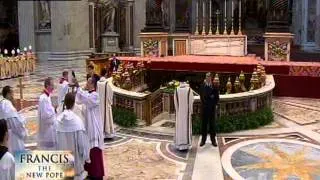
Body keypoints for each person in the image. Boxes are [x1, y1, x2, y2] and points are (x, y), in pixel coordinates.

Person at [56, 93, 90, 180]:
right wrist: (85, 157)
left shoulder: (58, 120)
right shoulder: (77, 121)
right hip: (76, 163)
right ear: (74, 103)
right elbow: (81, 144)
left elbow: (55, 142)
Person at [76, 77, 104, 179]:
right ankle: (90, 171)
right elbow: (79, 100)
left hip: (94, 127)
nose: (86, 84)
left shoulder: (95, 95)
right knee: (88, 149)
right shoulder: (89, 94)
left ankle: (97, 173)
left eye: (88, 83)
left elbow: (86, 99)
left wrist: (78, 88)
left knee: (94, 149)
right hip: (88, 126)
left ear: (92, 84)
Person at [0, 86, 26, 154]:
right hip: (13, 137)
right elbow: (14, 122)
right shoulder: (7, 104)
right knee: (17, 157)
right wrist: (22, 120)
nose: (13, 96)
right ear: (8, 94)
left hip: (7, 135)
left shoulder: (3, 103)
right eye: (12, 93)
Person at [199, 72, 219, 147]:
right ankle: (203, 140)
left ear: (211, 78)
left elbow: (217, 98)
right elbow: (201, 97)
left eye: (209, 77)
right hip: (204, 109)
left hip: (212, 109)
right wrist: (210, 97)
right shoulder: (202, 86)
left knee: (212, 125)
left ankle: (213, 140)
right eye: (207, 76)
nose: (208, 78)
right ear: (205, 77)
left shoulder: (215, 86)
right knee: (204, 125)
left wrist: (213, 102)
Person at [174, 82, 194, 150]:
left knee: (180, 127)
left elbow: (175, 102)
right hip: (187, 112)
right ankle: (186, 145)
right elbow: (191, 101)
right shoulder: (189, 90)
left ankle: (179, 145)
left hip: (179, 112)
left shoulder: (176, 89)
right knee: (186, 127)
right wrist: (191, 111)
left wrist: (177, 111)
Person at [38, 77, 57, 150]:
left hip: (50, 129)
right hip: (47, 130)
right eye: (52, 85)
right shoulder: (44, 99)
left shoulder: (47, 97)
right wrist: (54, 110)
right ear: (47, 85)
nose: (53, 87)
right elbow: (45, 116)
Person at [97, 68, 115, 139]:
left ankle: (101, 133)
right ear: (105, 74)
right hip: (106, 105)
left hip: (99, 104)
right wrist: (110, 102)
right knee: (107, 118)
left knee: (100, 117)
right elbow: (111, 93)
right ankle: (107, 133)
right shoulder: (107, 83)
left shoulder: (98, 83)